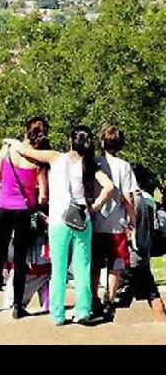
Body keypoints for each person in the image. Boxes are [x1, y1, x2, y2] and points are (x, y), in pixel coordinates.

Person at [3, 124, 115, 326]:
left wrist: (12, 142)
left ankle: (57, 314)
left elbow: (27, 151)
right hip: (82, 218)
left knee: (59, 269)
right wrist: (94, 206)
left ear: (70, 140)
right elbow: (109, 187)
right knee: (82, 267)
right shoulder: (89, 163)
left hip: (58, 220)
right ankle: (83, 310)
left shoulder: (55, 157)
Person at [0, 117, 50, 318]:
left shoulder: (6, 151)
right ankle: (17, 304)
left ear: (25, 130)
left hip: (4, 207)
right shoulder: (37, 158)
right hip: (24, 210)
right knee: (20, 258)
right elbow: (43, 195)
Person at [90, 126, 137, 319]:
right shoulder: (124, 166)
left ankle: (93, 299)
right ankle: (109, 299)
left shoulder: (94, 163)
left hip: (96, 221)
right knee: (115, 265)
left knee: (95, 264)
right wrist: (132, 218)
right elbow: (128, 196)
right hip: (116, 222)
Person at [115, 166, 166, 322]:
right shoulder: (150, 200)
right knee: (152, 294)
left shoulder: (131, 199)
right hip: (144, 252)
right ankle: (161, 324)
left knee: (113, 299)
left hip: (129, 255)